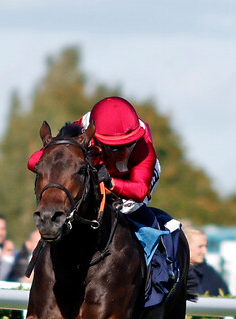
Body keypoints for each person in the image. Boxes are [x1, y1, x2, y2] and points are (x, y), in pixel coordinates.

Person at [27, 96, 183, 306]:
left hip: (131, 178)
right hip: (93, 166)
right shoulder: (82, 130)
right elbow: (34, 161)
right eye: (115, 147)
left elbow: (139, 190)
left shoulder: (143, 148)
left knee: (132, 212)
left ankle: (160, 271)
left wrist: (111, 182)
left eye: (128, 145)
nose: (123, 152)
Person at [185, 228, 229, 296]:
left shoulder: (210, 273)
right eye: (200, 247)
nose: (205, 251)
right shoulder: (171, 273)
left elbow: (226, 298)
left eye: (206, 246)